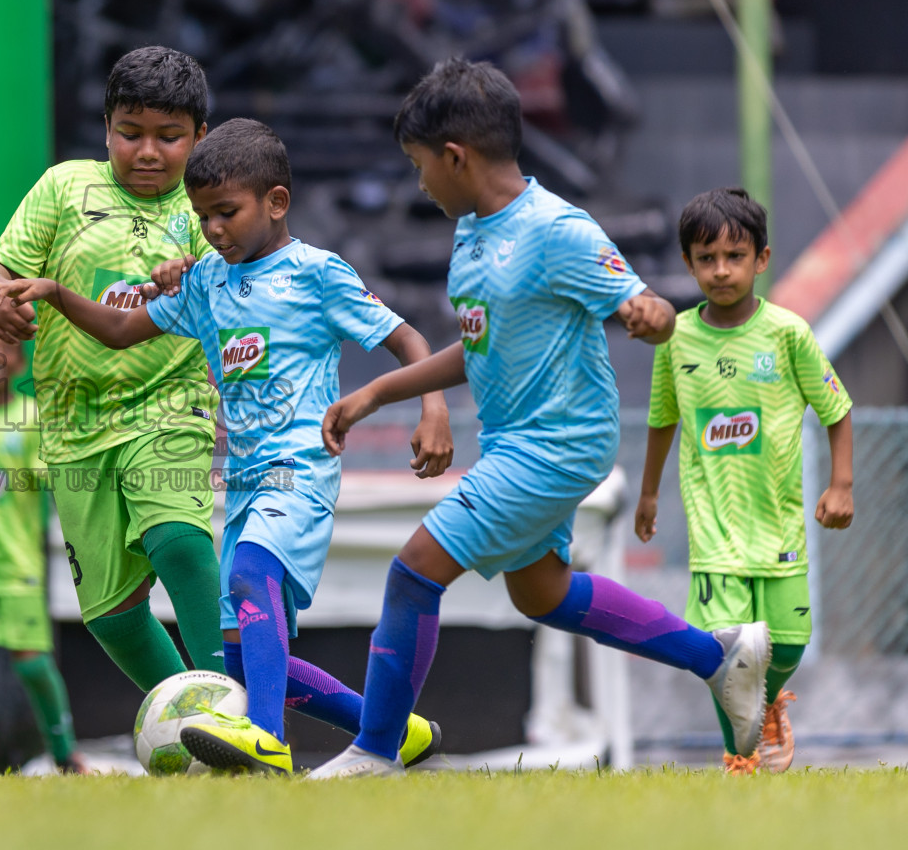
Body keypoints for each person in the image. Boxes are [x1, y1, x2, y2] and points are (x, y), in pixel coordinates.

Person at [308, 58, 774, 779]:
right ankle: (719, 658)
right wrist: (381, 392)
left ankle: (375, 750)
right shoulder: (471, 231)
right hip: (515, 445)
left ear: (456, 157)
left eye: (420, 164)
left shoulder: (558, 229)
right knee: (542, 593)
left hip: (556, 447)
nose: (420, 181)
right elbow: (482, 345)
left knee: (413, 574)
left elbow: (635, 304)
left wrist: (646, 315)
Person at [0, 117, 451, 775]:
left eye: (226, 213)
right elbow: (119, 329)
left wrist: (432, 407)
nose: (214, 230)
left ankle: (263, 739)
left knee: (249, 573)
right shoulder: (205, 282)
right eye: (203, 218)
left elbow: (407, 339)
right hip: (248, 476)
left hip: (302, 466)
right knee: (244, 658)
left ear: (276, 203)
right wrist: (57, 293)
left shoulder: (317, 273)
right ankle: (396, 731)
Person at [0, 46, 226, 691]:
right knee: (111, 615)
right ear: (106, 127)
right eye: (130, 133)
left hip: (171, 406)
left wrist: (193, 272)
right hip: (74, 424)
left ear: (199, 138)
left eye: (169, 137)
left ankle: (239, 712)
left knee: (181, 543)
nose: (147, 151)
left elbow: (238, 276)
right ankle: (195, 719)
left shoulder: (207, 207)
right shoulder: (63, 186)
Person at [637, 187, 853, 775]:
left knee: (787, 647)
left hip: (779, 523)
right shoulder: (675, 338)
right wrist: (649, 491)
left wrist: (842, 485)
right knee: (725, 654)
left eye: (734, 256)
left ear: (761, 259)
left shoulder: (788, 335)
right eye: (706, 258)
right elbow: (663, 420)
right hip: (714, 531)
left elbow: (836, 409)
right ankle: (740, 758)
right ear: (688, 263)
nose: (720, 270)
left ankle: (770, 701)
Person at [0, 321, 86, 774]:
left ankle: (66, 755)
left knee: (32, 667)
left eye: (2, 348)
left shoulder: (31, 416)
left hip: (19, 566)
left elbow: (53, 479)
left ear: (21, 359)